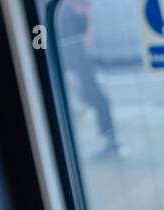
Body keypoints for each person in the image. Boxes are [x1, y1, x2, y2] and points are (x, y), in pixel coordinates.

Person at [57, 0, 123, 159]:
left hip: (80, 63)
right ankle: (109, 140)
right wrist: (68, 71)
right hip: (74, 64)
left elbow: (87, 38)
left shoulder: (71, 11)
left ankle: (110, 140)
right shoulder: (64, 12)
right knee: (90, 100)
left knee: (96, 100)